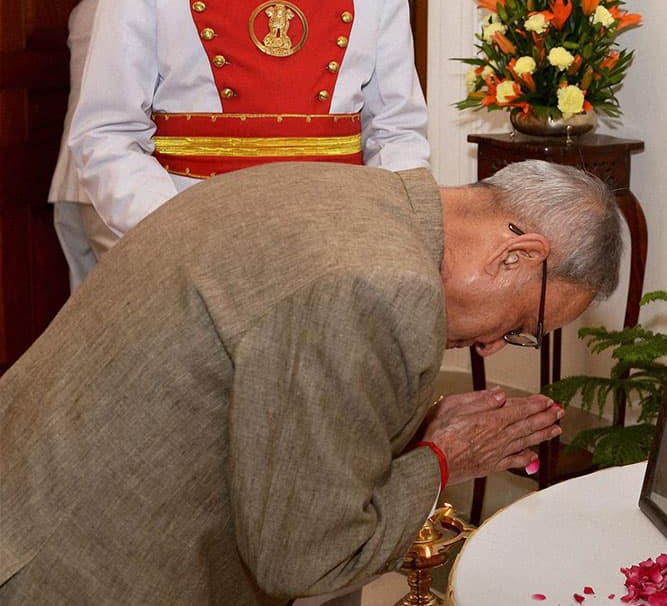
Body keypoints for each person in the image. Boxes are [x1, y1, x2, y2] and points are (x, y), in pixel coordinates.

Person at [0, 159, 624, 604]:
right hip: (71, 571)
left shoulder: (348, 192)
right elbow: (308, 554)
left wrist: (411, 436)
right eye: (520, 324)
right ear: (517, 255)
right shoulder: (384, 285)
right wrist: (442, 458)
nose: (491, 346)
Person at [66, 0, 430, 250]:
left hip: (342, 245)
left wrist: (396, 243)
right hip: (196, 252)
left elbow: (397, 132)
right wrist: (180, 237)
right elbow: (107, 132)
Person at [47, 0, 110, 291]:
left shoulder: (86, 7)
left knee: (89, 302)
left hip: (74, 178)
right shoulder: (146, 7)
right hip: (113, 185)